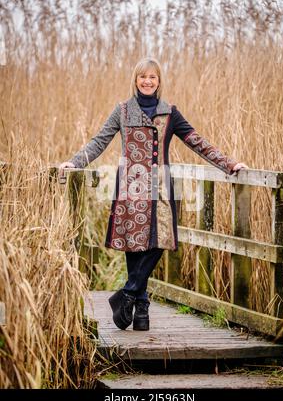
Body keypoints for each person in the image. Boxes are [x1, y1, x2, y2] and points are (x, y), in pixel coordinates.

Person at [59, 57, 248, 332]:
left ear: (159, 82)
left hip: (160, 188)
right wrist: (75, 162)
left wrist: (229, 164)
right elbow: (99, 140)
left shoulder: (170, 112)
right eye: (142, 77)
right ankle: (141, 311)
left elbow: (197, 141)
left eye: (153, 77)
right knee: (134, 246)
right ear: (135, 80)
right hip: (130, 188)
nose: (147, 81)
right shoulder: (122, 111)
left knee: (160, 241)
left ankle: (128, 293)